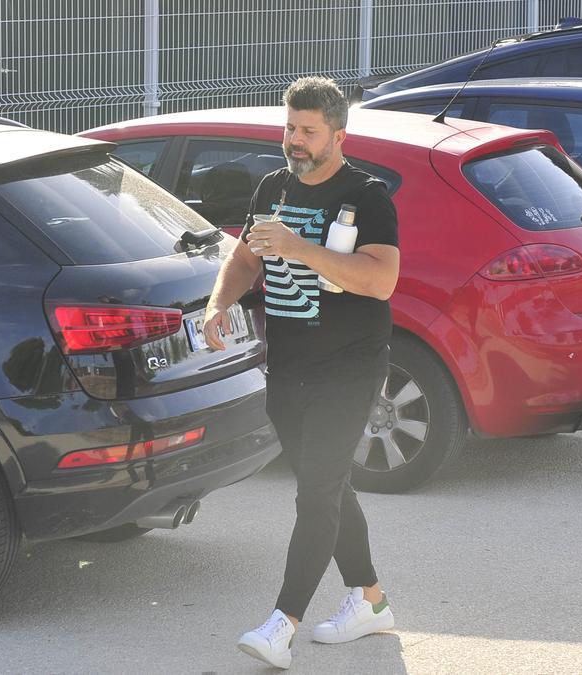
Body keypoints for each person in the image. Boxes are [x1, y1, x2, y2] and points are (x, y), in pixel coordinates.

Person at [201, 76, 400, 670]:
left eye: (307, 131)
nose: (294, 140)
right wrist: (220, 303)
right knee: (329, 485)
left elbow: (381, 280)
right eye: (289, 127)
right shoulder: (272, 187)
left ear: (338, 135)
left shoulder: (367, 196)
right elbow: (244, 258)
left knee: (315, 492)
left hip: (350, 366)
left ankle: (281, 624)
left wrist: (299, 246)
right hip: (288, 368)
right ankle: (370, 601)